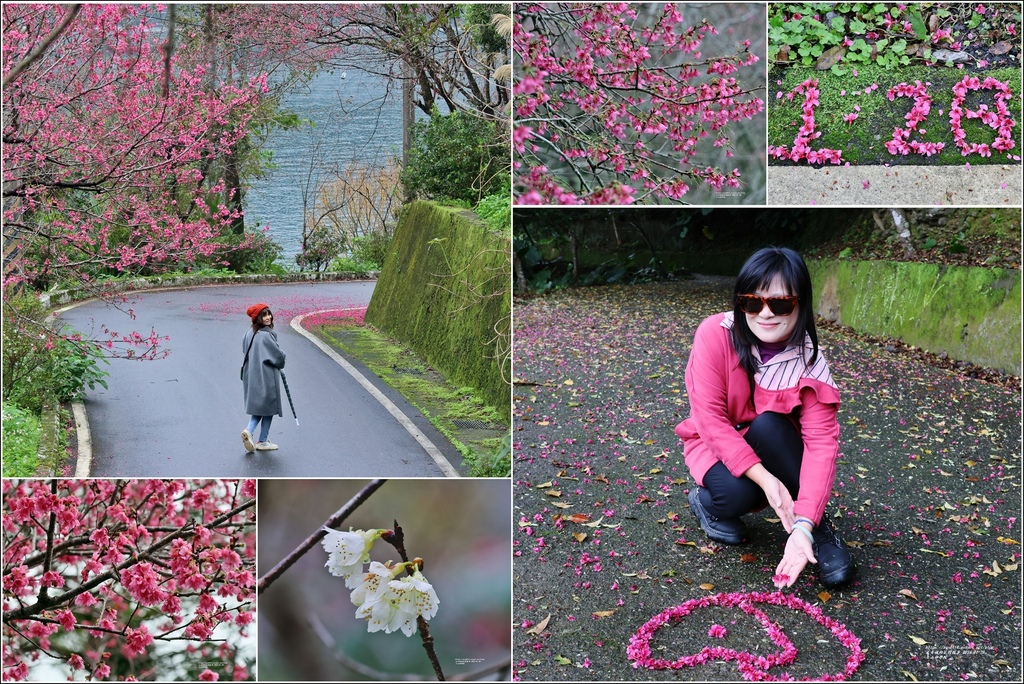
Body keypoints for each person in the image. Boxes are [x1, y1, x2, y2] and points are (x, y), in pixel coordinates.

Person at [676, 247, 854, 588]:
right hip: (716, 444)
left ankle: (819, 530)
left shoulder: (809, 363)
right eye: (752, 302)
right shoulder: (715, 333)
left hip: (775, 447)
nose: (765, 314)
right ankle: (704, 503)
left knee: (770, 425)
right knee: (736, 495)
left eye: (781, 303)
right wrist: (767, 481)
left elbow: (820, 446)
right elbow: (710, 420)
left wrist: (804, 524)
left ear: (801, 303)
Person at [241, 303, 286, 452]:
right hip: (265, 377)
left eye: (269, 314)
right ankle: (262, 440)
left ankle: (250, 431)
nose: (268, 317)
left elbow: (244, 349)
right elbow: (278, 358)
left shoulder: (249, 333)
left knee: (259, 407)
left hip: (251, 375)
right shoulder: (266, 336)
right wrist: (282, 356)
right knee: (268, 408)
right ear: (258, 318)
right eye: (264, 315)